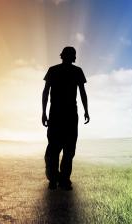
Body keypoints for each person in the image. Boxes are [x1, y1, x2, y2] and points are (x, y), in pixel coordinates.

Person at [42, 46, 90, 191]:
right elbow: (82, 93)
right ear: (73, 57)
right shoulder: (76, 71)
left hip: (57, 114)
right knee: (67, 149)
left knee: (55, 148)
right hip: (68, 115)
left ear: (62, 56)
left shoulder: (54, 70)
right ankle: (62, 180)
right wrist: (86, 111)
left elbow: (45, 92)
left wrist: (43, 112)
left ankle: (55, 180)